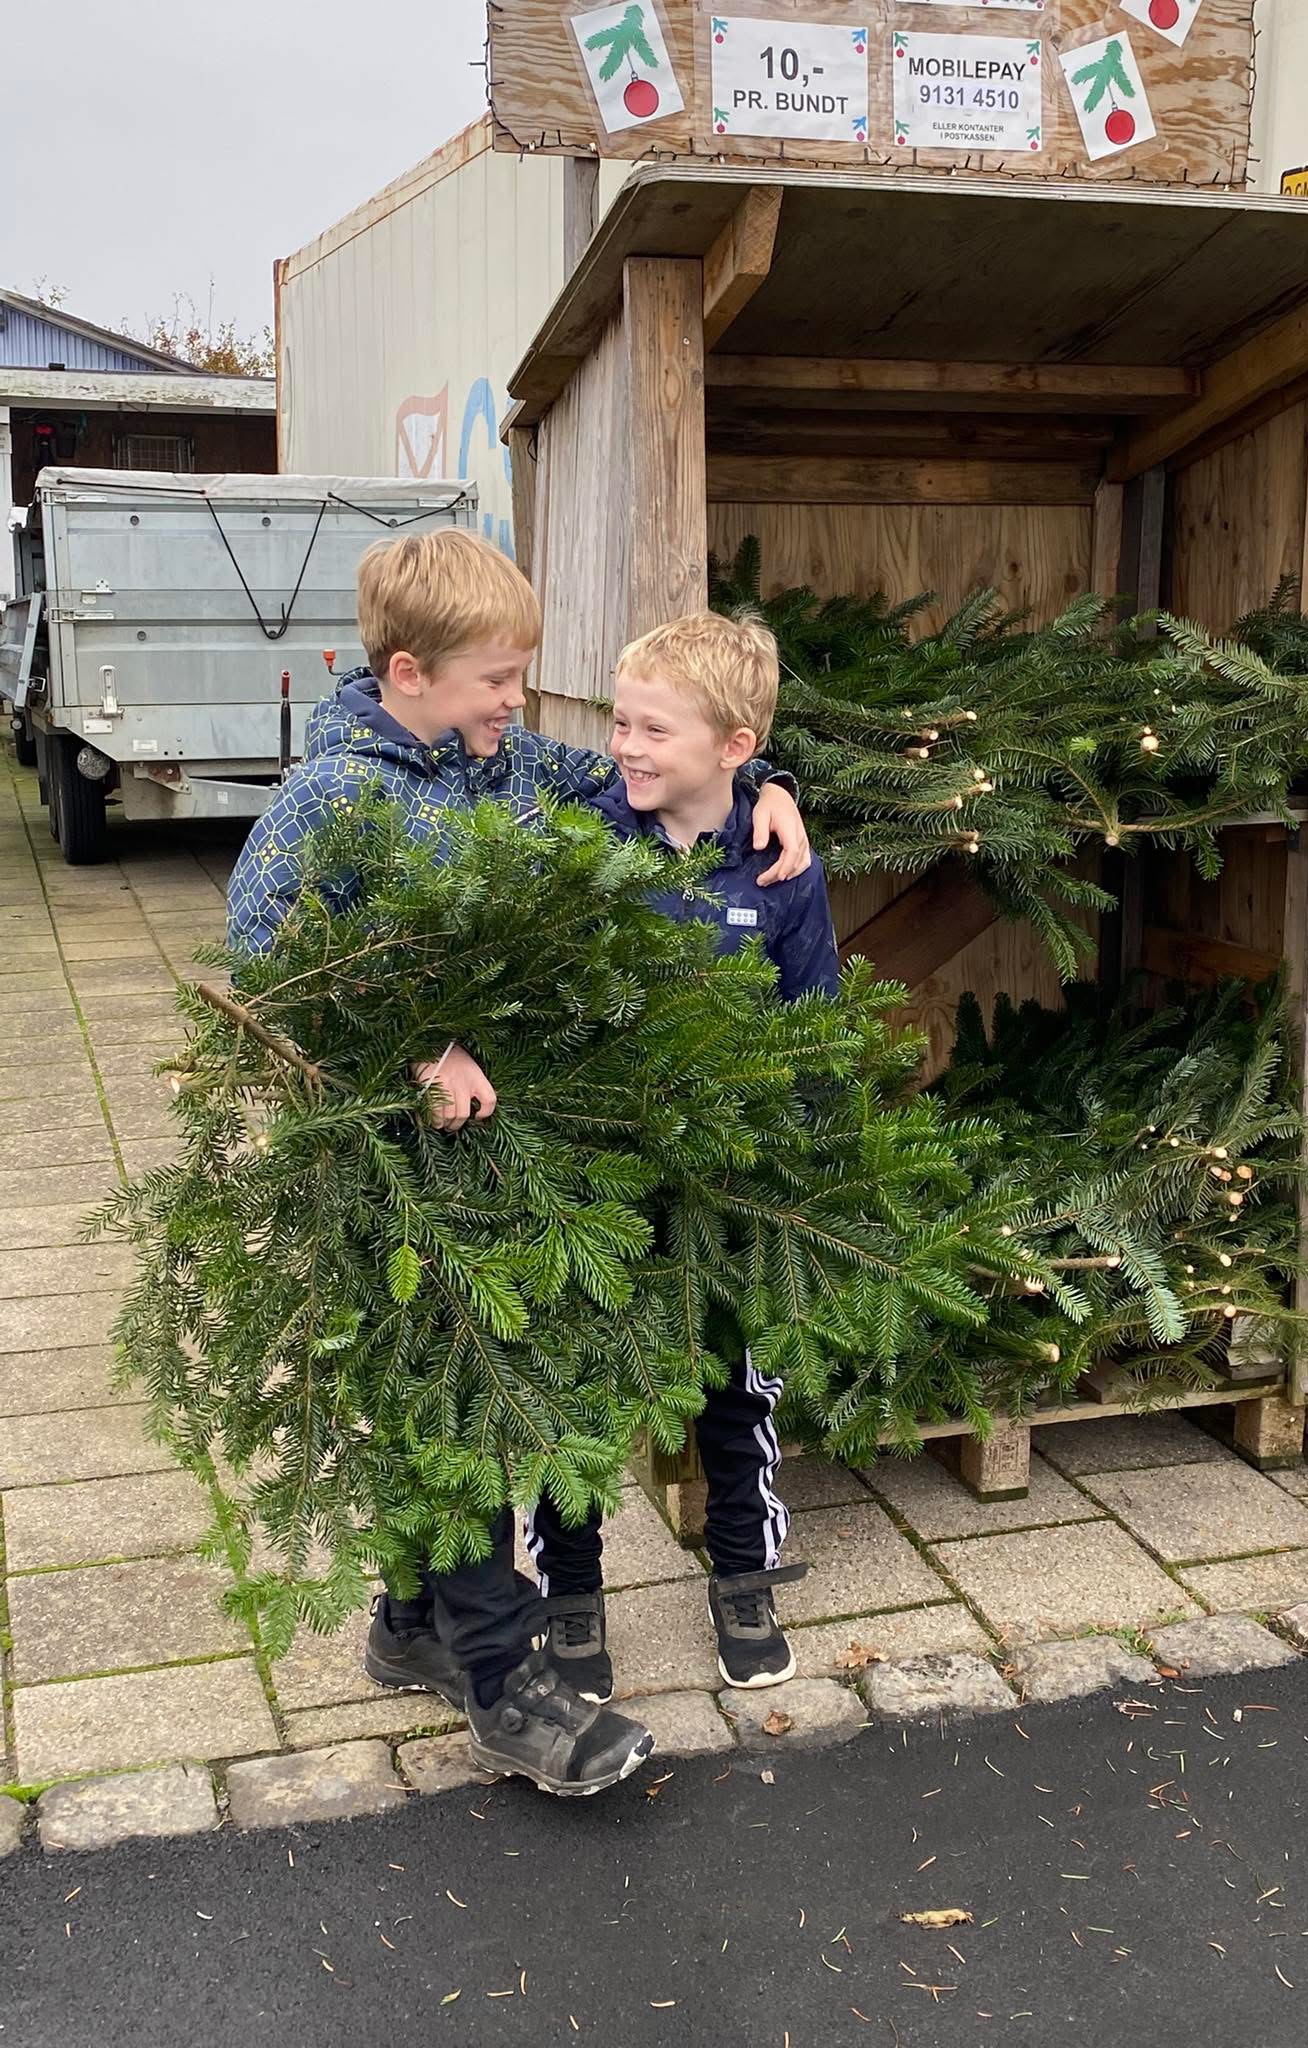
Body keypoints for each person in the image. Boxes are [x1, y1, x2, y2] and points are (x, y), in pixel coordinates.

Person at [224, 528, 812, 1796]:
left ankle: (410, 1625)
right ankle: (502, 1688)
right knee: (463, 1403)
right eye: (499, 678)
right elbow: (261, 962)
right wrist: (410, 1050)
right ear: (409, 671)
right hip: (391, 1163)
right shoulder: (332, 797)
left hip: (499, 1160)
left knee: (448, 1391)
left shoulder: (502, 762)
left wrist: (769, 785)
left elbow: (654, 772)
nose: (520, 701)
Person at [522, 610, 840, 1709]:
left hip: (731, 1187)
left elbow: (816, 1022)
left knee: (736, 1393)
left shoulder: (781, 863)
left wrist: (795, 1164)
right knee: (575, 1385)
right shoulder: (585, 834)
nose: (626, 745)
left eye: (655, 729)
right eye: (621, 722)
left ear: (735, 748)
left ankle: (745, 1581)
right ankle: (570, 1594)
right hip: (598, 1179)